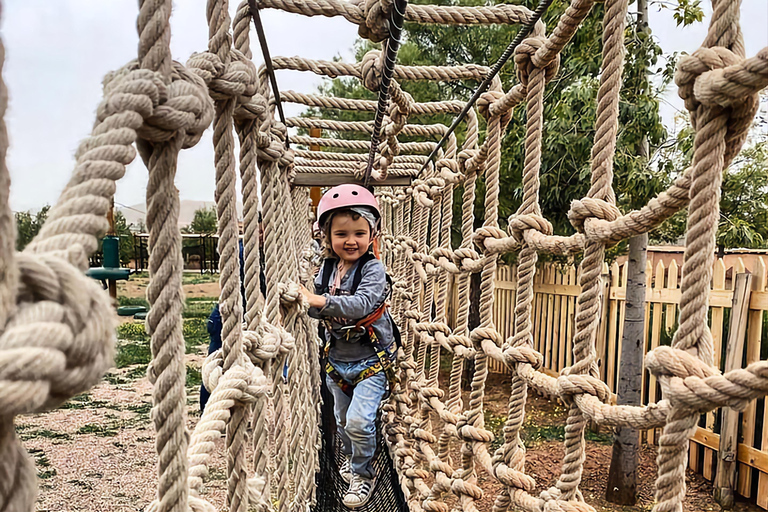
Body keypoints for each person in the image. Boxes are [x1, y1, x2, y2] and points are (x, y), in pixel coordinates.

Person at [300, 184, 399, 509]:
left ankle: (363, 474)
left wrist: (318, 299)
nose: (351, 241)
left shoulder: (373, 268)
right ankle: (354, 460)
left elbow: (361, 304)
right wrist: (309, 300)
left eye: (360, 232)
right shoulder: (327, 268)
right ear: (327, 235)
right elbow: (316, 309)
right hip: (337, 361)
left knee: (358, 422)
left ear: (372, 234)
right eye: (341, 233)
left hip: (371, 360)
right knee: (343, 423)